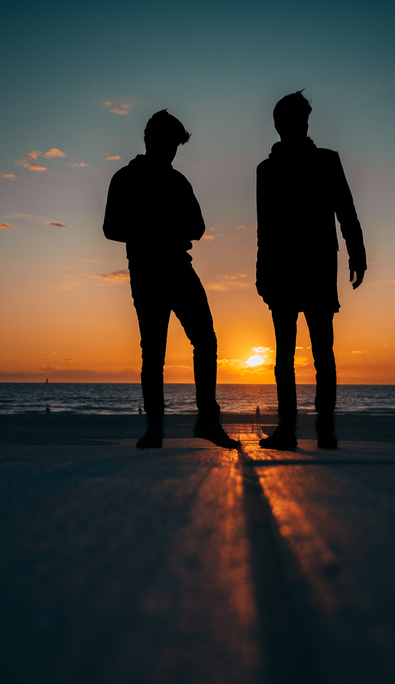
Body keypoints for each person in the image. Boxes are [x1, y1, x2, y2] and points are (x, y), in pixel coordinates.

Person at [103, 110, 238, 449]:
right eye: (169, 143)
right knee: (154, 353)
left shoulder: (178, 182)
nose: (172, 151)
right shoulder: (125, 178)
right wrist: (157, 227)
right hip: (147, 273)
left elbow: (199, 227)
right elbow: (110, 227)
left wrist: (160, 227)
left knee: (206, 341)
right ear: (150, 140)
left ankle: (207, 420)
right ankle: (155, 427)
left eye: (176, 145)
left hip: (179, 268)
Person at [256, 91, 366, 449]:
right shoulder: (267, 170)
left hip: (316, 270)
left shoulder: (326, 161)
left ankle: (321, 430)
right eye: (294, 118)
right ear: (282, 124)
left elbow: (345, 210)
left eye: (302, 118)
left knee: (319, 353)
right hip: (284, 272)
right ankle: (295, 429)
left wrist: (357, 253)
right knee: (292, 355)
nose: (299, 124)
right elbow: (265, 227)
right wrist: (262, 273)